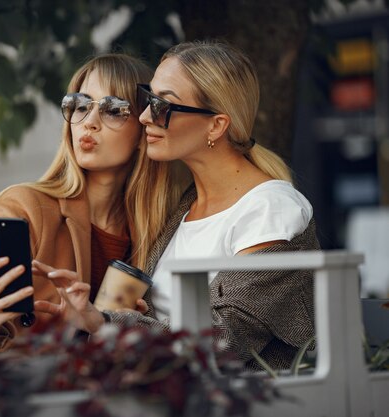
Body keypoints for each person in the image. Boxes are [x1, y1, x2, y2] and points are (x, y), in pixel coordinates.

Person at [39, 41, 319, 371]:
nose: (144, 116)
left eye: (162, 105)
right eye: (148, 99)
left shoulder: (271, 210)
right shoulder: (183, 207)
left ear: (216, 125)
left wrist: (105, 321)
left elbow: (223, 340)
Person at [0, 53, 185, 353]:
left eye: (113, 110)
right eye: (81, 105)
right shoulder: (25, 207)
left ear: (144, 129)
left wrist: (123, 326)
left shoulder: (153, 234)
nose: (89, 123)